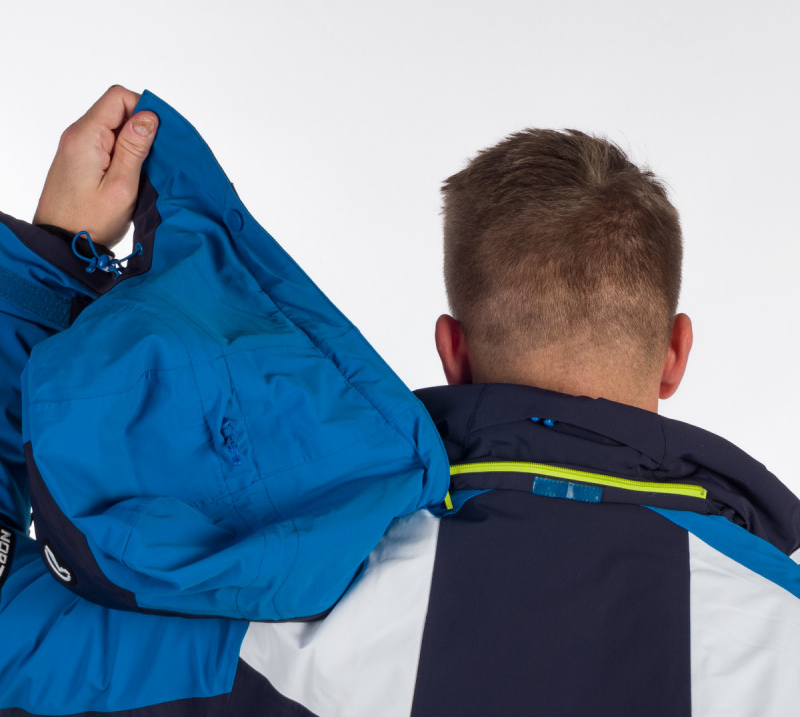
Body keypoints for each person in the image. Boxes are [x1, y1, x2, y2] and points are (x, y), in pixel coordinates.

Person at [1, 86, 800, 716]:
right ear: (675, 353)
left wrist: (48, 261)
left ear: (454, 352)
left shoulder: (283, 593)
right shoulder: (782, 634)